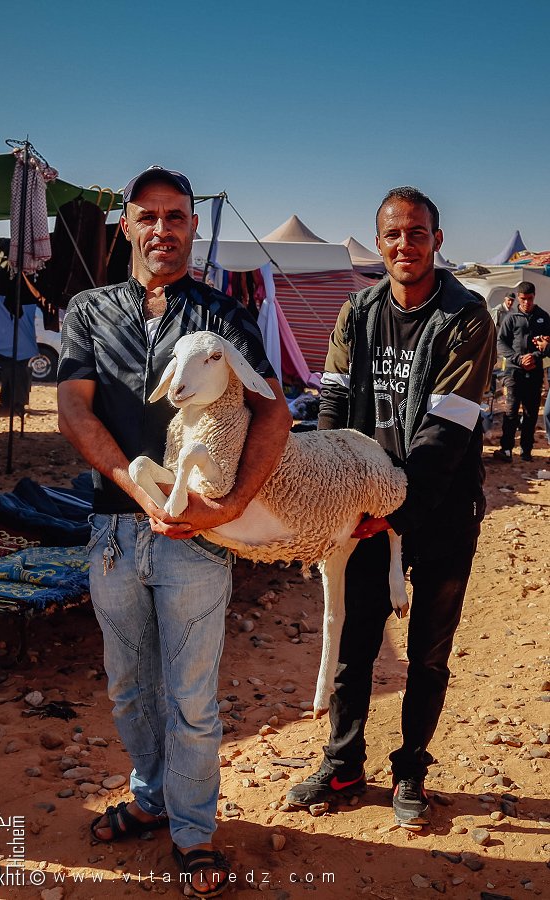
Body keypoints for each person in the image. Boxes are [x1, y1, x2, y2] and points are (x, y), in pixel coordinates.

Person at [57, 165, 291, 897]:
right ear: (126, 224)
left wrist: (226, 509)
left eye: (177, 217)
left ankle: (193, 832)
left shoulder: (223, 317)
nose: (163, 229)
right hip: (114, 532)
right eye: (149, 216)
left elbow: (273, 414)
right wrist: (135, 484)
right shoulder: (89, 310)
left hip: (195, 541)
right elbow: (75, 412)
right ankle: (149, 797)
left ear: (193, 228)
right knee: (129, 687)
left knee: (190, 696)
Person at [285, 186, 496, 828]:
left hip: (442, 509)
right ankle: (344, 763)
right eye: (394, 234)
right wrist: (331, 487)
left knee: (429, 651)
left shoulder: (467, 316)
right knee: (355, 640)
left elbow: (448, 431)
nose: (406, 244)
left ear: (436, 239)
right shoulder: (358, 313)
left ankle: (410, 768)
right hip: (362, 513)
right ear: (379, 244)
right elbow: (332, 400)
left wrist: (394, 511)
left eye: (418, 232)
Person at [492, 282, 550, 463]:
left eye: (530, 299)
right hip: (513, 372)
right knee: (511, 411)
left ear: (534, 296)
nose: (526, 303)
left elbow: (548, 344)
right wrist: (518, 359)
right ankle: (507, 449)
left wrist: (534, 356)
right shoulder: (511, 318)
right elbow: (501, 343)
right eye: (523, 299)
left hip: (534, 372)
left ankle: (526, 450)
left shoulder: (543, 317)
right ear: (518, 297)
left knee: (531, 413)